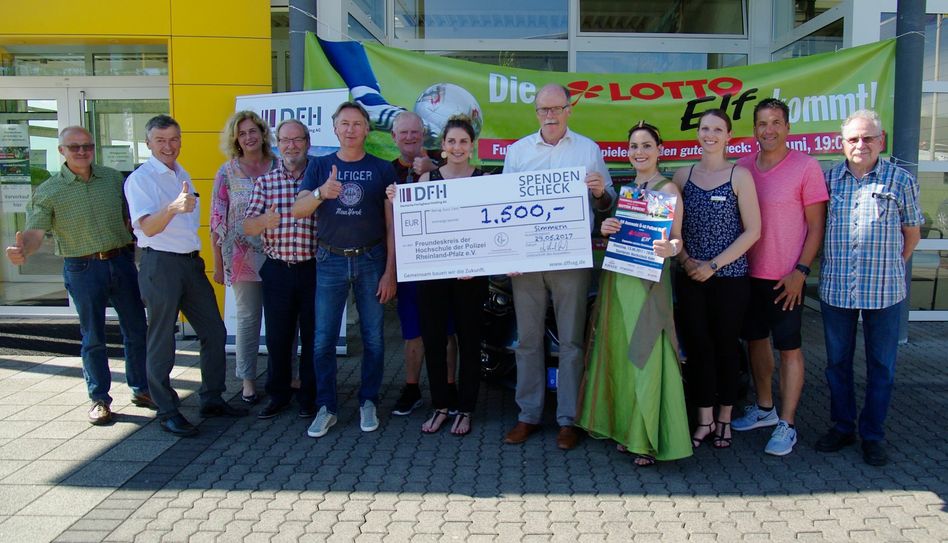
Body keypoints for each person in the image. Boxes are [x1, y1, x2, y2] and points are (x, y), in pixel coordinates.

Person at [4, 126, 153, 425]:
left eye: (87, 146)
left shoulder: (112, 178)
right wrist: (25, 250)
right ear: (62, 151)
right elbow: (35, 232)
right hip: (82, 268)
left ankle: (142, 389)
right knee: (94, 336)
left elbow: (131, 216)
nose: (82, 151)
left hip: (121, 261)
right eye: (74, 147)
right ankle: (99, 399)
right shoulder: (49, 191)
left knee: (136, 329)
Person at [501, 83, 615, 450]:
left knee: (571, 341)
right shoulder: (518, 152)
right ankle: (528, 415)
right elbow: (503, 209)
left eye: (555, 109)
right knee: (528, 340)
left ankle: (569, 419)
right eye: (542, 110)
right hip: (528, 261)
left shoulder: (588, 150)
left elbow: (607, 206)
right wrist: (509, 255)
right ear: (536, 113)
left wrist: (600, 193)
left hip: (571, 258)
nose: (549, 116)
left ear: (569, 109)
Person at [576, 121, 692, 466]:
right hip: (619, 280)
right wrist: (607, 227)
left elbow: (677, 239)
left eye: (645, 146)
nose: (639, 152)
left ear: (659, 150)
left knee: (647, 355)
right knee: (623, 357)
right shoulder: (628, 191)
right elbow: (616, 233)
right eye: (633, 147)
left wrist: (669, 249)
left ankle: (648, 439)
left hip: (649, 284)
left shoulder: (668, 188)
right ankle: (628, 430)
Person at [125, 114, 248, 437]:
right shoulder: (141, 179)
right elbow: (148, 227)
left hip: (189, 264)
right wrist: (172, 208)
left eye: (174, 139)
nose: (169, 146)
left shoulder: (181, 172)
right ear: (148, 143)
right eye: (161, 141)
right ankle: (166, 409)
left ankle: (211, 398)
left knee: (214, 331)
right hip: (160, 265)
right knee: (162, 338)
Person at [814, 109, 922, 467]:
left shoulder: (900, 180)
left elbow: (912, 233)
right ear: (842, 144)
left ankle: (873, 434)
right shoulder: (829, 181)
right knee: (836, 365)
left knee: (882, 367)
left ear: (882, 141)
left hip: (884, 292)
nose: (860, 144)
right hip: (837, 290)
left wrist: (891, 265)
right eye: (853, 139)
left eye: (868, 138)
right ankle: (843, 426)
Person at [291, 101, 397, 438]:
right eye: (344, 123)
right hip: (330, 260)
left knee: (374, 339)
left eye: (357, 123)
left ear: (367, 129)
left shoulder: (382, 169)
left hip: (371, 260)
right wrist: (323, 193)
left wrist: (390, 272)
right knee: (322, 340)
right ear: (335, 129)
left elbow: (393, 224)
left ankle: (368, 400)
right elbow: (298, 209)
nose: (350, 129)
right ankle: (327, 406)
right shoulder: (319, 166)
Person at [732, 98, 828, 456]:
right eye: (761, 123)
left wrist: (801, 272)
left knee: (789, 349)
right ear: (753, 129)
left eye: (775, 122)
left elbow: (817, 226)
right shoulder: (742, 168)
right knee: (755, 342)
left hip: (787, 278)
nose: (768, 129)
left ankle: (787, 424)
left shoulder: (806, 167)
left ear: (788, 128)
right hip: (747, 275)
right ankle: (765, 409)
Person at [389, 115, 488, 436]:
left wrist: (478, 264)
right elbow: (414, 230)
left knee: (470, 343)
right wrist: (397, 203)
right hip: (433, 277)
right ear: (442, 148)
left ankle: (467, 410)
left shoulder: (484, 180)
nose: (457, 147)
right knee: (433, 340)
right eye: (451, 142)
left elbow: (492, 231)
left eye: (463, 141)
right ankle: (441, 406)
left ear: (471, 146)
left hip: (471, 278)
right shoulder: (426, 181)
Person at [672, 109, 760, 451]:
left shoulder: (740, 175)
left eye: (717, 129)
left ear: (728, 135)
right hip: (690, 277)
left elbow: (754, 231)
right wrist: (686, 261)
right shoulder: (682, 175)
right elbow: (672, 229)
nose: (710, 134)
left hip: (730, 280)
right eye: (704, 128)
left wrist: (714, 264)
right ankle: (704, 419)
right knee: (697, 349)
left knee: (725, 348)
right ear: (698, 133)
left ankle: (725, 418)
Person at [243, 119, 318, 420]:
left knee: (314, 336)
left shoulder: (319, 175)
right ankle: (278, 395)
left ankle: (310, 398)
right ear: (278, 144)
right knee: (277, 337)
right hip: (277, 269)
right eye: (285, 140)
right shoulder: (266, 182)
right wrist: (264, 222)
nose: (291, 146)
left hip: (314, 269)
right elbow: (247, 225)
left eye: (297, 139)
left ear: (307, 142)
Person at [386, 111, 460, 417]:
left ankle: (450, 387)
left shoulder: (445, 166)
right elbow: (387, 225)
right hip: (410, 266)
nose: (409, 138)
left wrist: (435, 169)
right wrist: (390, 271)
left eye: (415, 133)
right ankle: (413, 387)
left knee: (448, 329)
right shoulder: (386, 171)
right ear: (394, 137)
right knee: (412, 330)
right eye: (403, 133)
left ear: (424, 135)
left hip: (445, 261)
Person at [210, 111, 275, 405]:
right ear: (236, 139)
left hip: (280, 250)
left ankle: (287, 375)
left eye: (253, 131)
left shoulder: (279, 165)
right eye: (242, 133)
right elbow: (216, 218)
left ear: (262, 133)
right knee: (249, 317)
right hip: (240, 254)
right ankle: (248, 379)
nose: (248, 137)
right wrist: (217, 263)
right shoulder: (227, 171)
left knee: (284, 317)